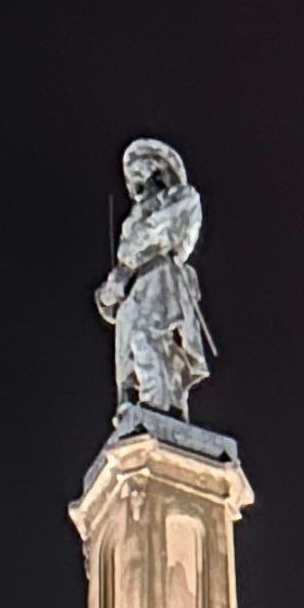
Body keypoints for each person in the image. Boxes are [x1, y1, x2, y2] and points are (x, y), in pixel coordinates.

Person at [97, 140, 212, 419]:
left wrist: (130, 256)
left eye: (143, 174)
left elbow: (163, 231)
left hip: (160, 276)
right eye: (134, 178)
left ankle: (159, 404)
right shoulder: (134, 219)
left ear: (159, 172)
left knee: (147, 338)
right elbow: (128, 256)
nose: (138, 184)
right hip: (133, 290)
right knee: (129, 357)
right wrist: (108, 293)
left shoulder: (183, 197)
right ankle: (147, 405)